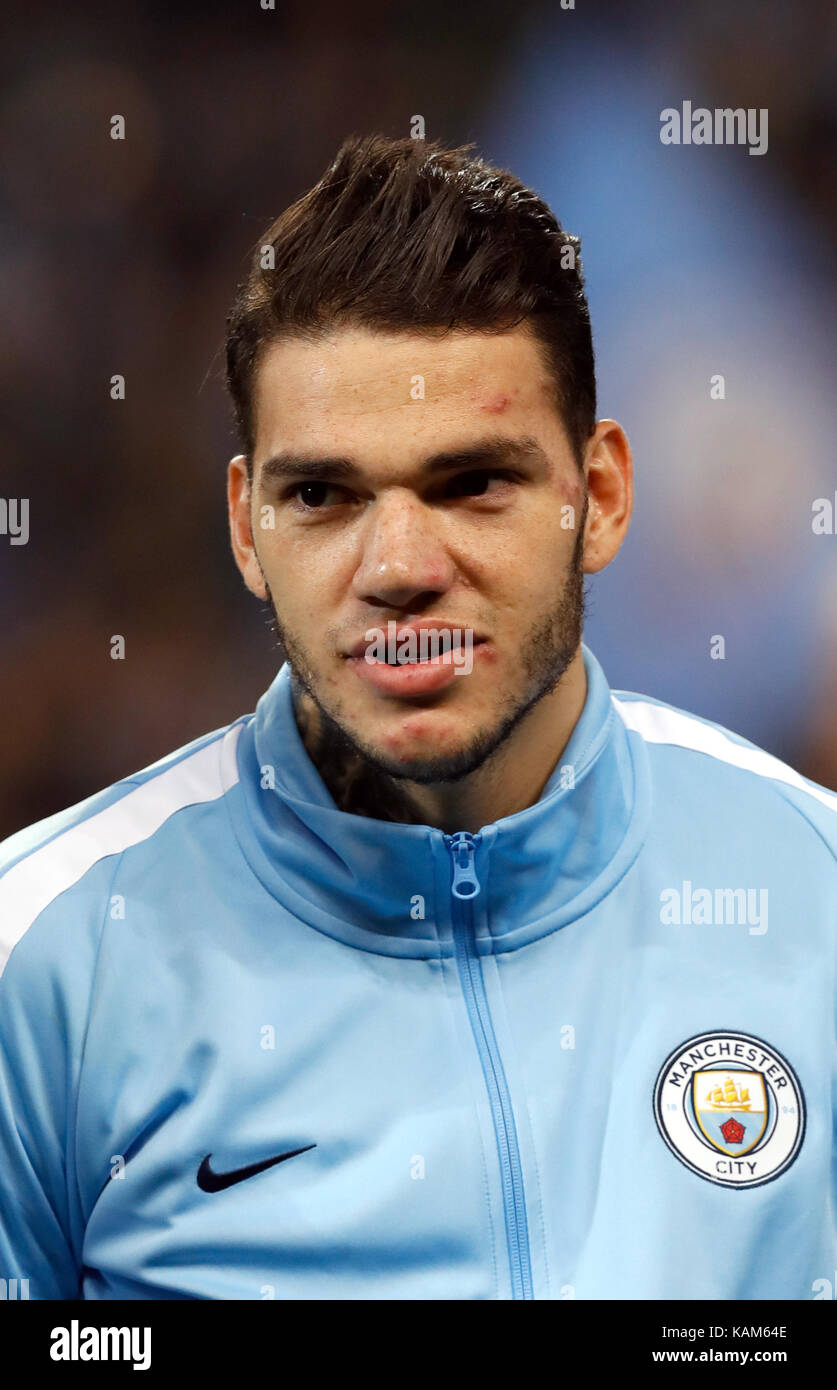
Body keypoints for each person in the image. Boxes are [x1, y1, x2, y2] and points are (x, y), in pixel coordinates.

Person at [0, 135, 833, 1301]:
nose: (398, 566)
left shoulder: (817, 891)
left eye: (473, 482)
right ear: (248, 529)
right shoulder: (37, 962)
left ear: (597, 498)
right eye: (324, 495)